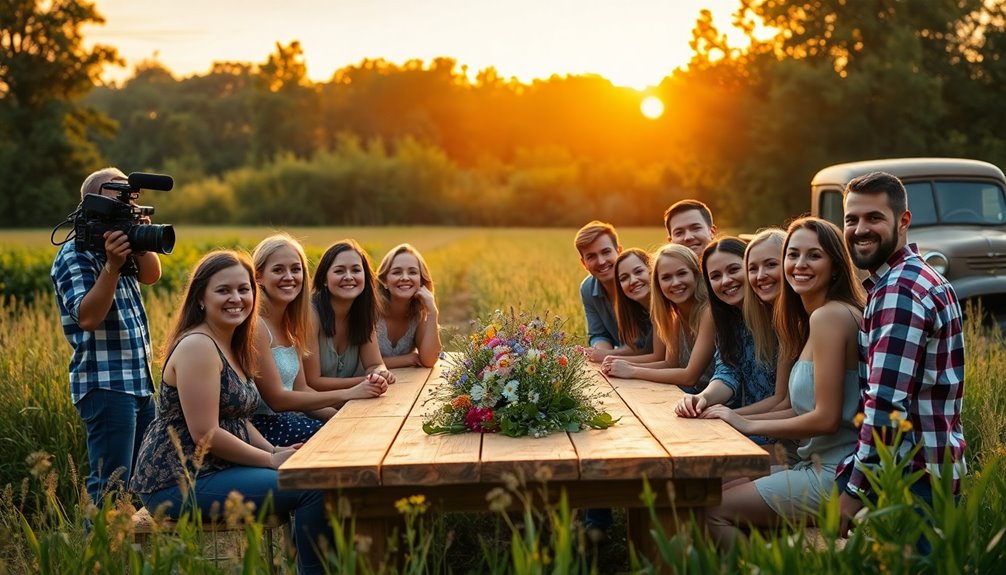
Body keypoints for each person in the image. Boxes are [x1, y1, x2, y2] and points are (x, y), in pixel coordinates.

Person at [130, 250, 330, 574]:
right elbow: (206, 433)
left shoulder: (232, 343)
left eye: (244, 289)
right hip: (179, 481)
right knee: (311, 487)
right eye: (223, 290)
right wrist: (269, 461)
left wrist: (276, 450)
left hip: (216, 470)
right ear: (200, 299)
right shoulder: (198, 346)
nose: (236, 298)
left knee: (314, 473)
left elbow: (237, 418)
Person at [701, 218, 865, 548]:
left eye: (813, 256)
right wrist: (728, 417)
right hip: (813, 463)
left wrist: (744, 422)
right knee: (715, 488)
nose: (799, 265)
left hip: (836, 473)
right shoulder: (808, 321)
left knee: (712, 511)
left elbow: (827, 418)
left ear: (835, 265)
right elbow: (791, 405)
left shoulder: (829, 316)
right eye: (793, 255)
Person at [837, 172, 967, 540]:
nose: (860, 229)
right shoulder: (917, 278)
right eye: (851, 219)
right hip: (932, 471)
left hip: (912, 481)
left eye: (874, 218)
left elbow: (886, 406)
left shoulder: (901, 290)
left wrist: (855, 489)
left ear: (903, 221)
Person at [50, 167, 161, 505]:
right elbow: (88, 317)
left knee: (146, 481)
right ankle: (102, 557)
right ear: (93, 206)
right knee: (111, 488)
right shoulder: (74, 255)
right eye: (118, 206)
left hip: (139, 381)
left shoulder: (122, 246)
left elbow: (152, 275)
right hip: (105, 382)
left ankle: (134, 555)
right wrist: (111, 267)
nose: (125, 213)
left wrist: (137, 241)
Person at [251, 234, 387, 446]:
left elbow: (302, 389)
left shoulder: (292, 324)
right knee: (346, 443)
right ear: (258, 277)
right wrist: (350, 392)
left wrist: (337, 418)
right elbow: (277, 400)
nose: (289, 276)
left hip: (290, 418)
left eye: (296, 269)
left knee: (361, 431)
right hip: (263, 426)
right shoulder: (257, 326)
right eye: (278, 270)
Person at [673, 238, 781, 447]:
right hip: (747, 428)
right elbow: (727, 372)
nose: (725, 281)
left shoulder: (779, 318)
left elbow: (783, 400)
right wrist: (704, 398)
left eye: (734, 270)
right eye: (715, 276)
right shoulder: (729, 320)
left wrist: (730, 415)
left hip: (774, 431)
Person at [604, 244, 714, 391]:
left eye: (682, 273)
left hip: (720, 402)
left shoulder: (707, 312)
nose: (675, 283)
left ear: (696, 274)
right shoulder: (673, 315)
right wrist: (623, 365)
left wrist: (633, 371)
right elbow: (669, 364)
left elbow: (690, 376)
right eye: (666, 277)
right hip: (692, 396)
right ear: (658, 283)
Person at [305, 240, 395, 390]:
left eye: (356, 270)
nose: (348, 276)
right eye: (339, 271)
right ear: (324, 280)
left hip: (348, 403)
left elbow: (374, 364)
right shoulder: (311, 315)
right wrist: (367, 381)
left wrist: (380, 372)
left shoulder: (362, 314)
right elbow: (313, 382)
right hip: (313, 408)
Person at [375, 244, 442, 368]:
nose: (405, 278)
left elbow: (429, 360)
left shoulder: (420, 313)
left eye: (412, 272)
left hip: (405, 383)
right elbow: (360, 365)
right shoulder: (372, 311)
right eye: (397, 272)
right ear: (384, 281)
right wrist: (406, 359)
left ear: (421, 280)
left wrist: (433, 312)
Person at [600, 248, 666, 365]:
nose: (633, 281)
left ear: (652, 271)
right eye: (624, 278)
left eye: (638, 272)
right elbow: (644, 350)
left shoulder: (662, 307)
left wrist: (613, 359)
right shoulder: (638, 312)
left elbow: (659, 357)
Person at [574, 221, 623, 363]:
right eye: (591, 256)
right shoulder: (587, 288)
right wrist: (602, 352)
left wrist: (610, 356)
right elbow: (598, 334)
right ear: (584, 263)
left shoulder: (639, 282)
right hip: (624, 364)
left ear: (619, 251)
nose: (601, 261)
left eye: (606, 252)